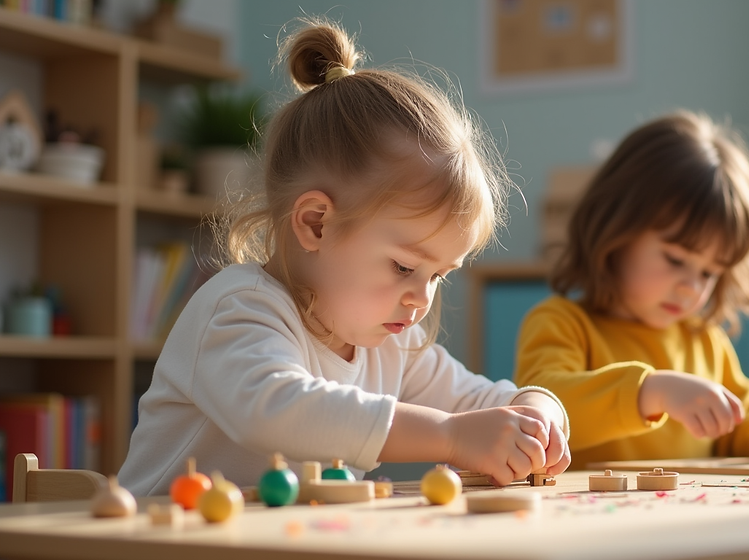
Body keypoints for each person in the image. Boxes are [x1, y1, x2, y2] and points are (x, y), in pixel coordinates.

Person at [119, 17, 569, 495]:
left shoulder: (392, 344)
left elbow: (482, 400)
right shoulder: (238, 308)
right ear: (316, 223)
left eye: (439, 275)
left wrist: (537, 414)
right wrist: (449, 436)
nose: (421, 298)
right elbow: (278, 409)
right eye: (403, 267)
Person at [514, 110, 749, 470]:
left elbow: (737, 433)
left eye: (710, 272)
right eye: (676, 260)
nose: (691, 287)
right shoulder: (560, 323)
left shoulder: (706, 343)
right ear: (617, 230)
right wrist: (652, 392)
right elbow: (544, 412)